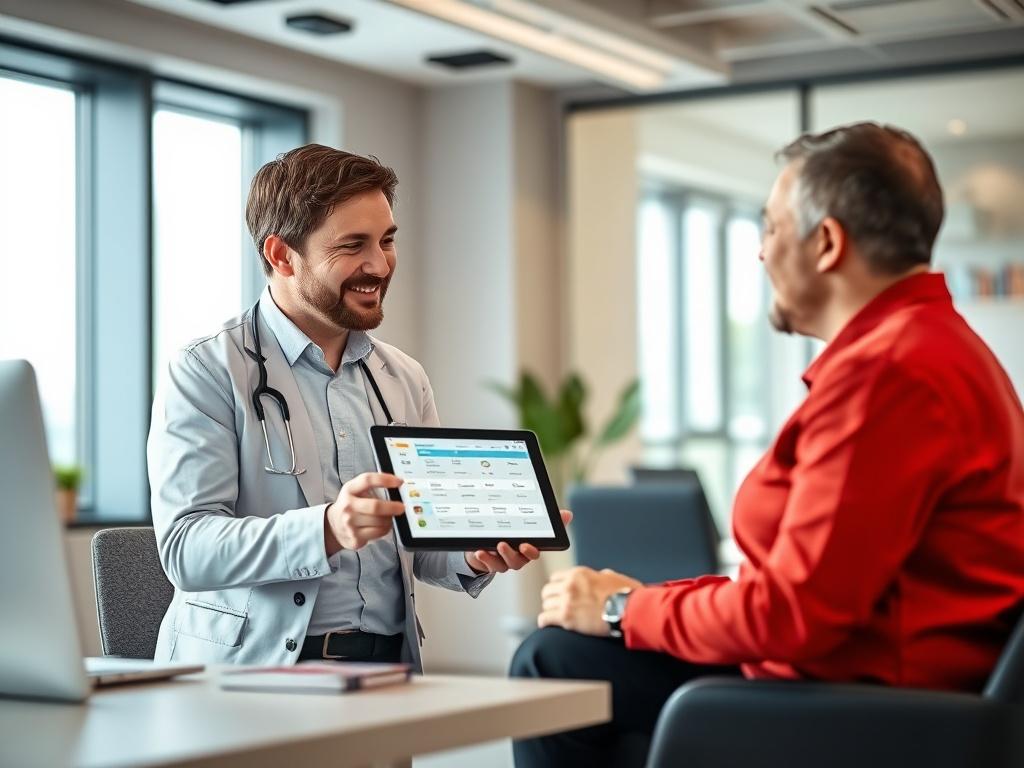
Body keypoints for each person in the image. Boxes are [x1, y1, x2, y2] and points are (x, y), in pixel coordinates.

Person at [511, 122, 1024, 767]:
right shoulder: (931, 347)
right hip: (869, 682)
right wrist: (644, 604)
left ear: (827, 243)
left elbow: (792, 614)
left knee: (554, 661)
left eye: (772, 229)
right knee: (565, 654)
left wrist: (621, 608)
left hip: (866, 705)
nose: (759, 253)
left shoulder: (887, 373)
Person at [149, 144, 562, 669]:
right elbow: (187, 549)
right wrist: (327, 528)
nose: (380, 264)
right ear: (281, 255)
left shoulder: (403, 378)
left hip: (385, 672)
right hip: (253, 678)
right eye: (353, 245)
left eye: (387, 240)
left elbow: (423, 543)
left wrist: (473, 552)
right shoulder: (208, 370)